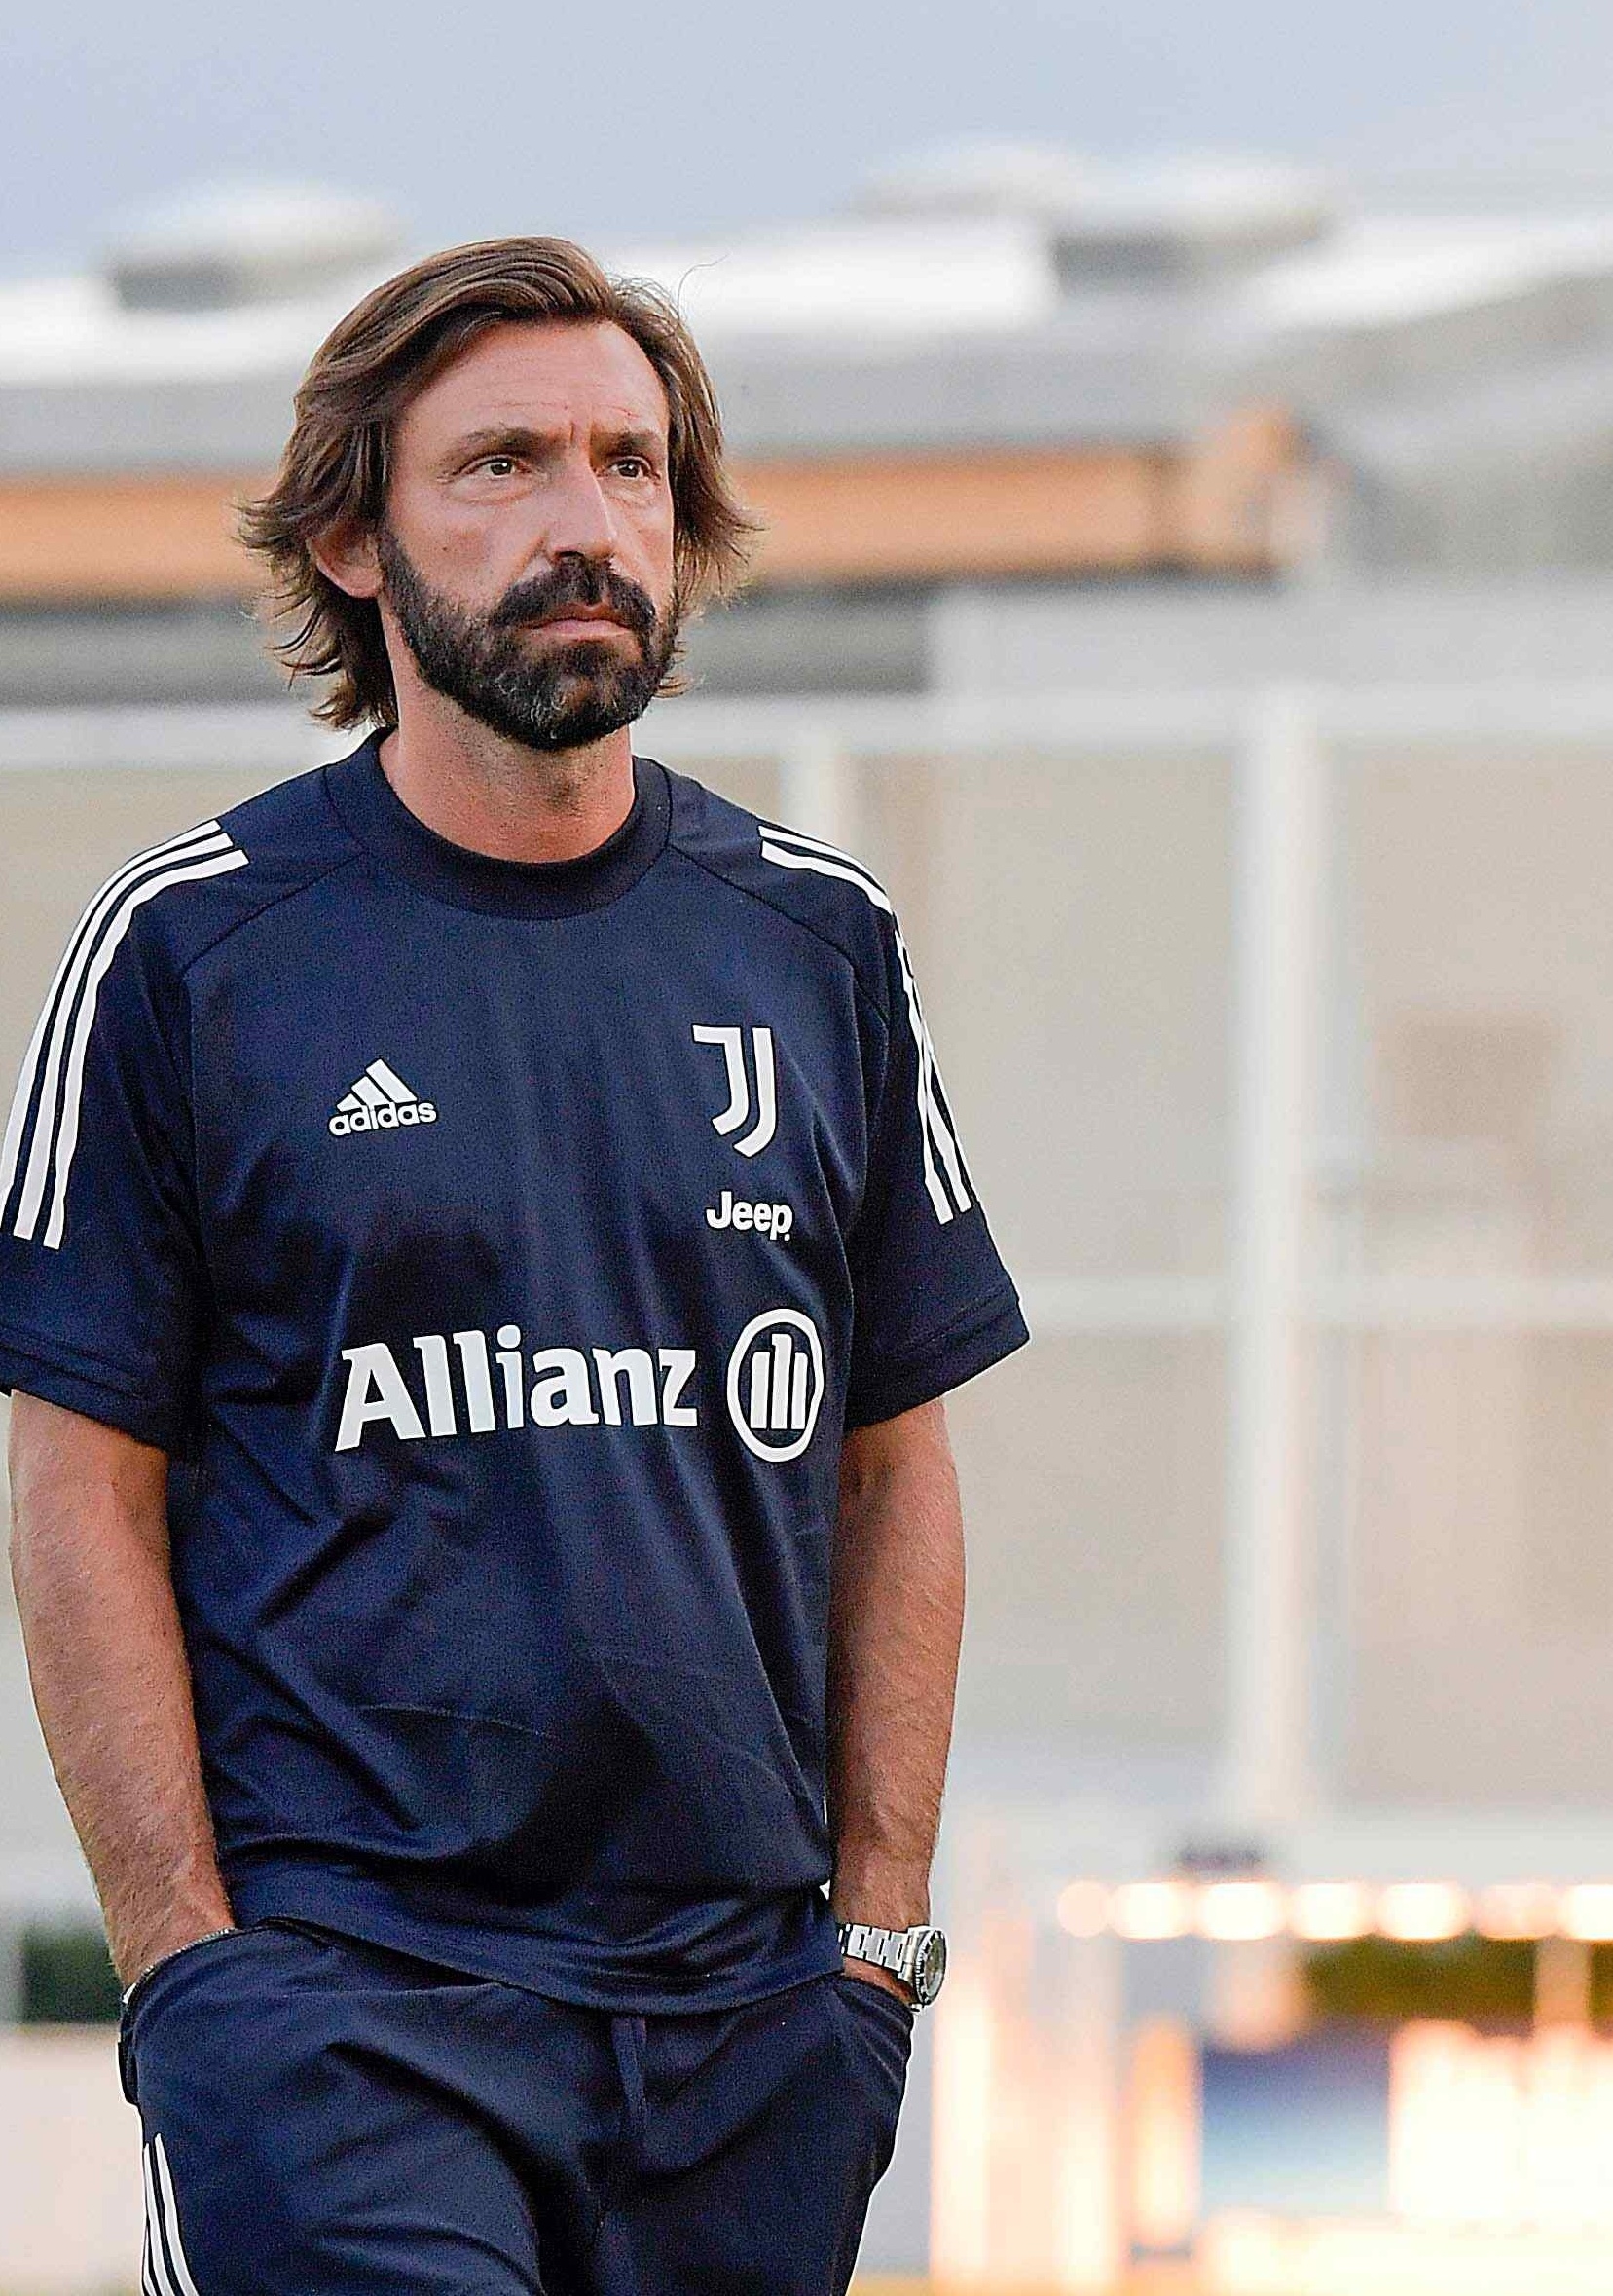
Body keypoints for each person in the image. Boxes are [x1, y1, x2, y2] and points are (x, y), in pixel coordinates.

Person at [0, 237, 1027, 2292]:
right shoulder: (191, 952)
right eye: (502, 468)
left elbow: (897, 1469)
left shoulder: (816, 941)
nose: (587, 527)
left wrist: (879, 1950)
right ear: (351, 538)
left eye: (630, 467)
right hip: (347, 2016)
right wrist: (188, 1968)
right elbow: (73, 1485)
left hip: (748, 2034)